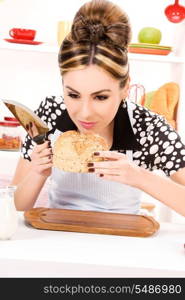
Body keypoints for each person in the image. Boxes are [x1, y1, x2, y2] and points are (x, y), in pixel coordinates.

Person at [12, 0, 185, 216]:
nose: (85, 112)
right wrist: (38, 172)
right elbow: (15, 207)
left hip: (123, 240)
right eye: (73, 95)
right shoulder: (50, 113)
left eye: (101, 97)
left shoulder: (147, 127)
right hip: (57, 236)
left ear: (125, 88)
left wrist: (141, 178)